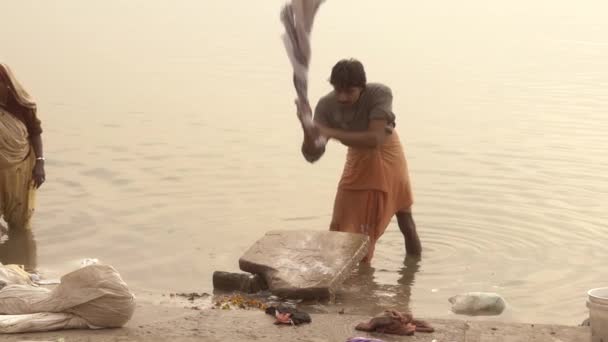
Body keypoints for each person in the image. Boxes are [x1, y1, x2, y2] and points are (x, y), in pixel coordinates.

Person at [300, 58, 421, 262]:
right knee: (341, 222)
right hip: (356, 157)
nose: (343, 97)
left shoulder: (379, 93)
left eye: (350, 91)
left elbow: (375, 139)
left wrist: (329, 131)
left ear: (362, 88)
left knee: (404, 218)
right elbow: (312, 154)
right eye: (338, 90)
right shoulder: (326, 105)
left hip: (387, 154)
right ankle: (354, 276)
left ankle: (413, 269)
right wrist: (307, 128)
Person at [0, 63, 45, 229]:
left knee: (19, 223)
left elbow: (35, 132)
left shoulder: (22, 104)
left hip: (20, 170)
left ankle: (20, 250)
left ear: (7, 83)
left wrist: (40, 162)